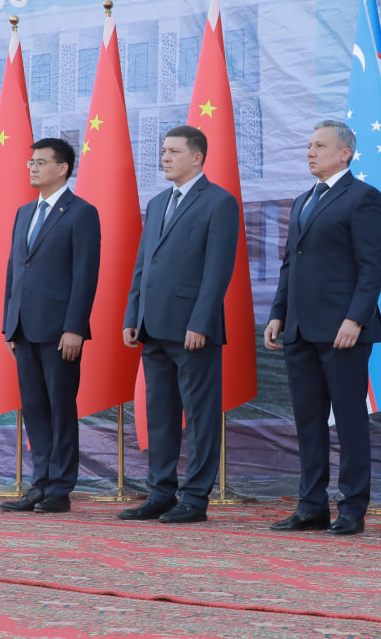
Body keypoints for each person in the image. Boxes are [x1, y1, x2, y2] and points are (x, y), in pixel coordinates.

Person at [265, 120, 381, 536]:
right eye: (309, 145)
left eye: (319, 145)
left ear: (345, 153)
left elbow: (372, 266)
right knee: (308, 421)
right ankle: (311, 506)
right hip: (299, 329)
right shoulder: (304, 200)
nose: (310, 152)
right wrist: (279, 313)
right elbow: (290, 264)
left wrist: (355, 319)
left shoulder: (364, 197)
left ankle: (352, 508)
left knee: (349, 421)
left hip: (342, 331)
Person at [119, 125, 239, 524]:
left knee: (201, 416)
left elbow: (217, 271)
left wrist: (200, 322)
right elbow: (143, 264)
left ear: (197, 157)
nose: (165, 157)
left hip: (192, 329)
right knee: (160, 415)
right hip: (152, 326)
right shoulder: (157, 203)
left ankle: (196, 497)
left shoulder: (219, 202)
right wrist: (133, 314)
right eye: (163, 151)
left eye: (173, 151)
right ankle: (160, 492)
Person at [0, 137, 100, 514]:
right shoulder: (24, 212)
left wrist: (75, 327)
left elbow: (85, 274)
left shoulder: (81, 212)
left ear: (63, 168)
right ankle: (39, 483)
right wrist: (9, 324)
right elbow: (15, 271)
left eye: (41, 162)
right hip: (24, 327)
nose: (33, 168)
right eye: (31, 162)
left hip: (60, 330)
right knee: (35, 409)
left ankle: (60, 489)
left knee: (60, 408)